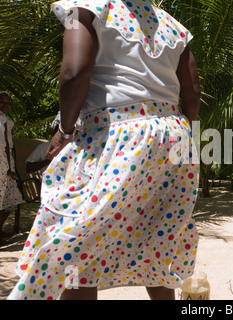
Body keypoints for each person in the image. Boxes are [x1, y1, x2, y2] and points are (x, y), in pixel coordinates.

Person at [8, 0, 200, 300]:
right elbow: (193, 93)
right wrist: (189, 142)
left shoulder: (82, 9)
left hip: (120, 135)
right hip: (175, 137)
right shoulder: (174, 27)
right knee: (156, 231)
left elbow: (74, 72)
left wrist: (65, 131)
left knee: (77, 236)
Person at [0, 91, 24, 238]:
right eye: (2, 102)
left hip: (6, 160)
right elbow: (7, 145)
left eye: (8, 102)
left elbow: (10, 144)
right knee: (4, 197)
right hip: (3, 161)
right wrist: (9, 168)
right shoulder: (2, 119)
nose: (5, 105)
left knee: (8, 198)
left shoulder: (6, 119)